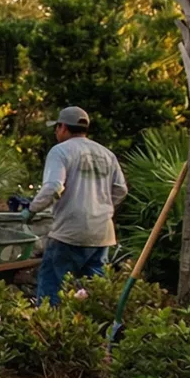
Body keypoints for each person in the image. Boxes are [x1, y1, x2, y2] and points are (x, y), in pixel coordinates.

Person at [28, 105, 127, 304]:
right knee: (94, 292)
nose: (56, 132)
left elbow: (54, 187)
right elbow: (120, 189)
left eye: (57, 127)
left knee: (52, 286)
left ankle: (50, 322)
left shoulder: (61, 151)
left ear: (63, 127)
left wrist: (31, 210)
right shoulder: (106, 154)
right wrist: (101, 207)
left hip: (69, 232)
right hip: (101, 233)